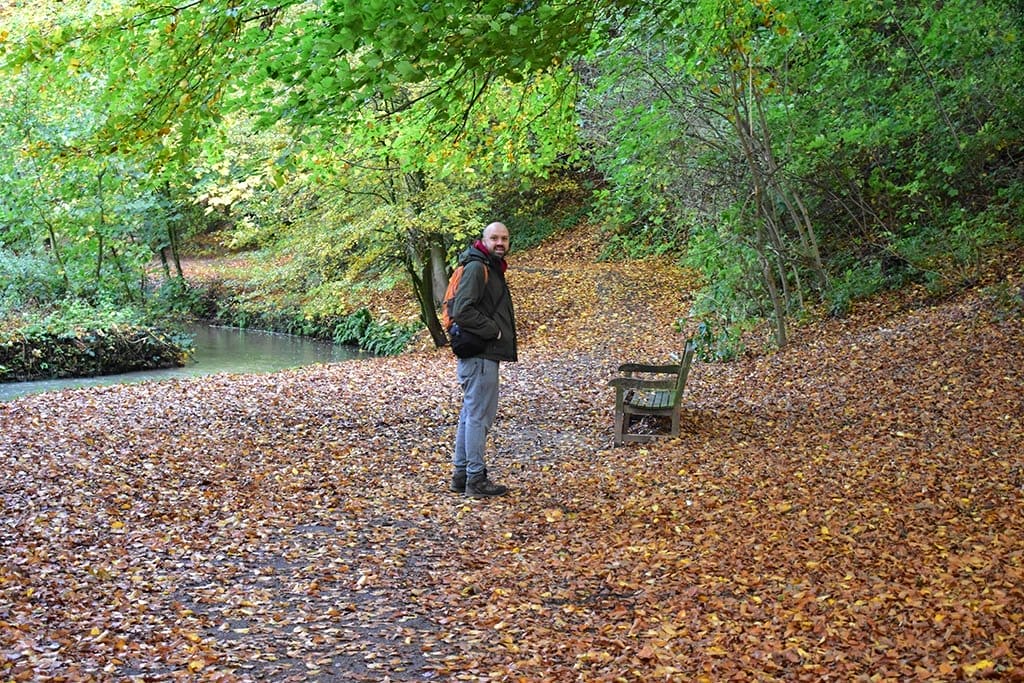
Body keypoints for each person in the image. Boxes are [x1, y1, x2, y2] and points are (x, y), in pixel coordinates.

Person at [448, 221, 518, 497]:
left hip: (479, 355)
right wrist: (495, 331)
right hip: (480, 354)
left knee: (470, 415)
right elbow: (463, 310)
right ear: (484, 240)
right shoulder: (478, 267)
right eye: (494, 238)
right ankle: (475, 479)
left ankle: (462, 474)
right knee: (479, 417)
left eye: (504, 238)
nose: (500, 243)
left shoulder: (487, 266)